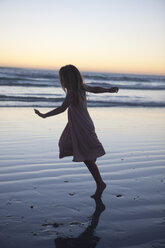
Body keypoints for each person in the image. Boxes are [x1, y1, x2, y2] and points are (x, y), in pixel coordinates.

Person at [34, 65, 119, 198]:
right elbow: (96, 89)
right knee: (66, 143)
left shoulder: (72, 92)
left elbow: (62, 108)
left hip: (81, 126)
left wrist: (45, 115)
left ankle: (100, 183)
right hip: (81, 124)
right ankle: (91, 160)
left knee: (87, 158)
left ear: (66, 78)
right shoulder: (82, 87)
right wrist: (108, 90)